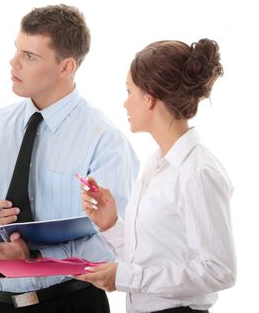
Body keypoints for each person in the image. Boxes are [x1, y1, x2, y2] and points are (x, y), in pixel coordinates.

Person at [0, 4, 139, 313]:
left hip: (71, 303)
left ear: (66, 67)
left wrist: (32, 258)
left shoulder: (104, 140)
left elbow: (115, 240)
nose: (13, 62)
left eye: (29, 56)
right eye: (17, 50)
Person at [76, 39, 236, 313]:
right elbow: (151, 258)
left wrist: (124, 277)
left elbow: (218, 270)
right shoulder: (156, 166)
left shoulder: (197, 172)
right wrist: (112, 225)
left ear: (149, 98)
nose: (125, 103)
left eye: (129, 92)